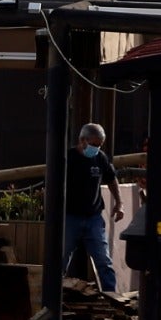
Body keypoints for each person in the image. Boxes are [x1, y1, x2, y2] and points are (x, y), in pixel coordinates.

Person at [65, 122, 124, 293]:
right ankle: (54, 297)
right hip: (70, 217)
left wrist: (119, 203)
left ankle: (111, 297)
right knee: (61, 260)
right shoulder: (69, 158)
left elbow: (112, 179)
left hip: (93, 218)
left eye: (99, 145)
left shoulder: (100, 158)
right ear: (82, 140)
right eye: (94, 145)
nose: (96, 148)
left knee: (103, 261)